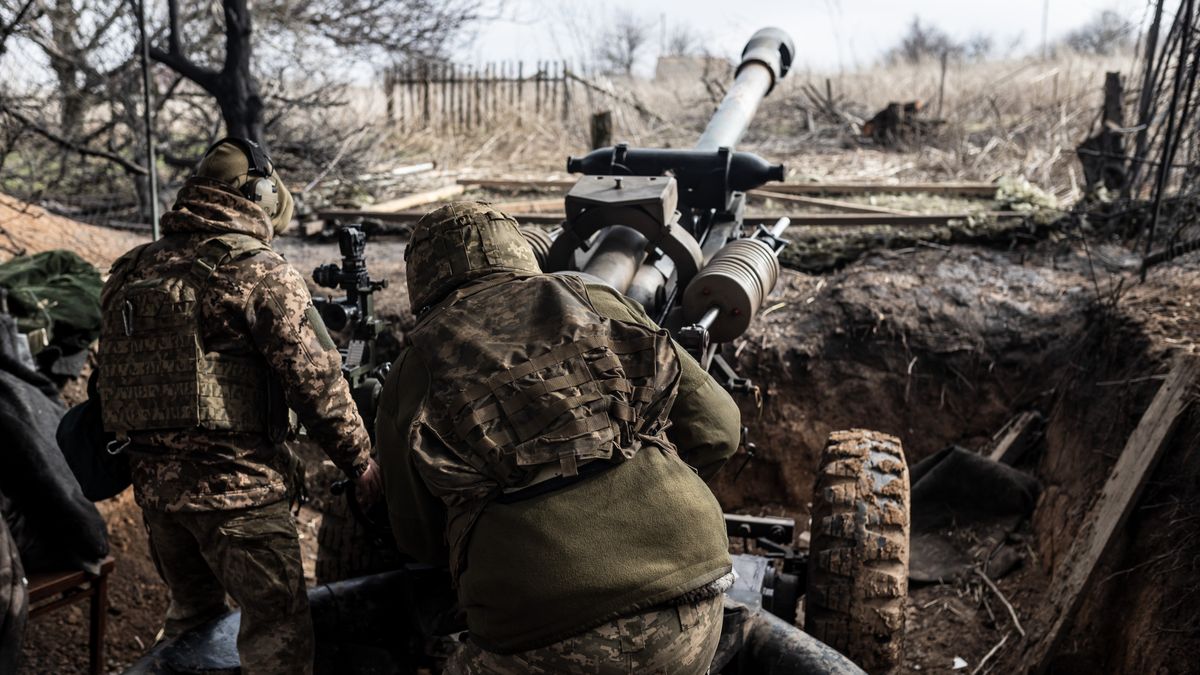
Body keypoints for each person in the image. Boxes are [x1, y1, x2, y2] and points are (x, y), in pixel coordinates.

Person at [376, 202, 742, 674]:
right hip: (693, 605)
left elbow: (417, 540)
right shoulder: (596, 300)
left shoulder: (413, 370)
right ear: (519, 252)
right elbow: (719, 430)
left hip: (539, 638)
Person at [96, 137, 382, 675]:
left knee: (190, 624)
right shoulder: (257, 270)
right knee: (277, 638)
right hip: (240, 496)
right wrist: (360, 461)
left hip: (159, 499)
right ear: (259, 194)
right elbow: (316, 381)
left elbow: (107, 380)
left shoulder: (132, 270)